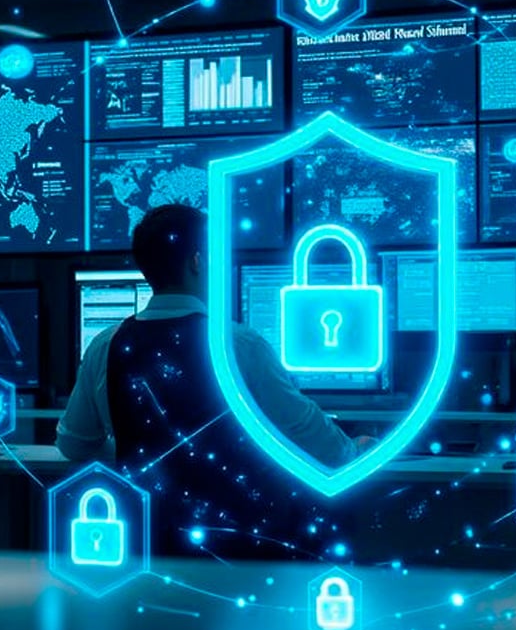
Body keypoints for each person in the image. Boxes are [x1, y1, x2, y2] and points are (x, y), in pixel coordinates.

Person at [56, 204, 372, 557]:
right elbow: (311, 436)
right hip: (238, 548)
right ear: (197, 261)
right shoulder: (238, 345)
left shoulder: (106, 346)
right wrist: (354, 448)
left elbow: (73, 444)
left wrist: (145, 451)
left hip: (147, 545)